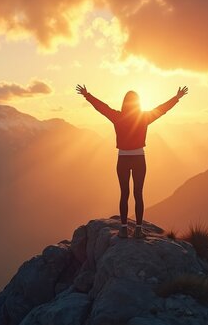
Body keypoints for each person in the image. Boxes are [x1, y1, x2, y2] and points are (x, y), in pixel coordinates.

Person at [76, 84, 188, 238]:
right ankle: (138, 230)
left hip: (122, 158)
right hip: (139, 158)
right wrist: (176, 98)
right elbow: (162, 109)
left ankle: (123, 229)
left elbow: (101, 107)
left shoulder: (117, 116)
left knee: (124, 193)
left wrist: (87, 95)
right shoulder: (144, 117)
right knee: (138, 194)